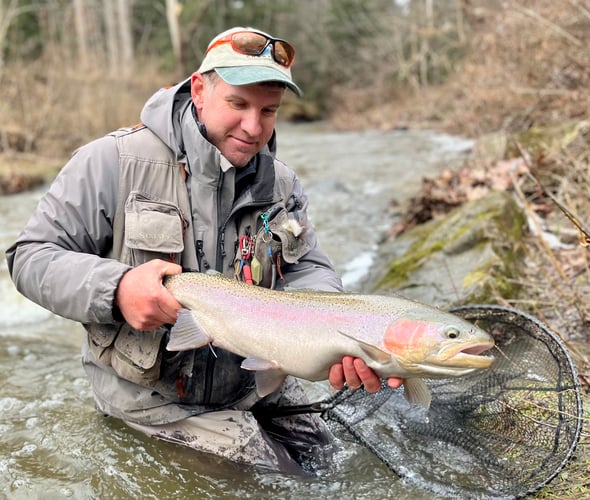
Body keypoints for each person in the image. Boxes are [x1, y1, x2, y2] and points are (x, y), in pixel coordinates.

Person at [6, 26, 402, 473]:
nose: (254, 128)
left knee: (334, 469)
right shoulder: (111, 161)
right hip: (152, 398)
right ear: (199, 89)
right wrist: (116, 289)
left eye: (269, 110)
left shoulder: (282, 183)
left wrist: (335, 328)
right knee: (269, 477)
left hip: (255, 382)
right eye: (238, 104)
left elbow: (307, 266)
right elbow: (30, 255)